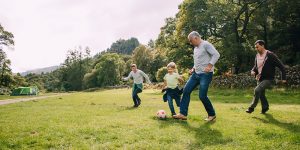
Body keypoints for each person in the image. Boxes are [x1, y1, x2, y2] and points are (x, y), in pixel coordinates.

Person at [173, 31, 220, 121]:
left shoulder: (206, 44)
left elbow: (216, 54)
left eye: (191, 41)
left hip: (206, 75)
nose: (191, 43)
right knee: (186, 90)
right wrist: (193, 68)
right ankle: (183, 114)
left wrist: (210, 65)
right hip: (196, 74)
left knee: (202, 96)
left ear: (196, 38)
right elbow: (198, 60)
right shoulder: (196, 48)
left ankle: (212, 114)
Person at [246, 40, 286, 114]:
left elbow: (281, 66)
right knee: (261, 94)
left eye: (257, 47)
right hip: (259, 78)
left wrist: (283, 78)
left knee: (257, 90)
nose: (256, 49)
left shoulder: (270, 55)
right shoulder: (257, 55)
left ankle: (251, 107)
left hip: (269, 79)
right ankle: (265, 108)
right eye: (255, 47)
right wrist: (253, 71)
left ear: (262, 46)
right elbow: (255, 66)